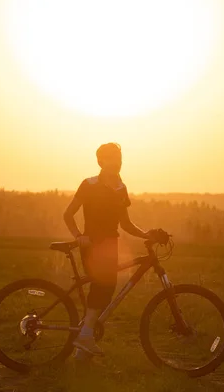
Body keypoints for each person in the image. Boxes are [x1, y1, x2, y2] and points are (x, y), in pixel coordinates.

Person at [63, 142, 152, 357]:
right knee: (103, 286)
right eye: (112, 158)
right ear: (101, 161)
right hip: (92, 244)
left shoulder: (121, 188)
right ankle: (85, 335)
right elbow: (68, 215)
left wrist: (146, 235)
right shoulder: (89, 184)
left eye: (119, 159)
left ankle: (83, 347)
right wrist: (79, 236)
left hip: (111, 245)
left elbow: (126, 224)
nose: (117, 163)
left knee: (105, 290)